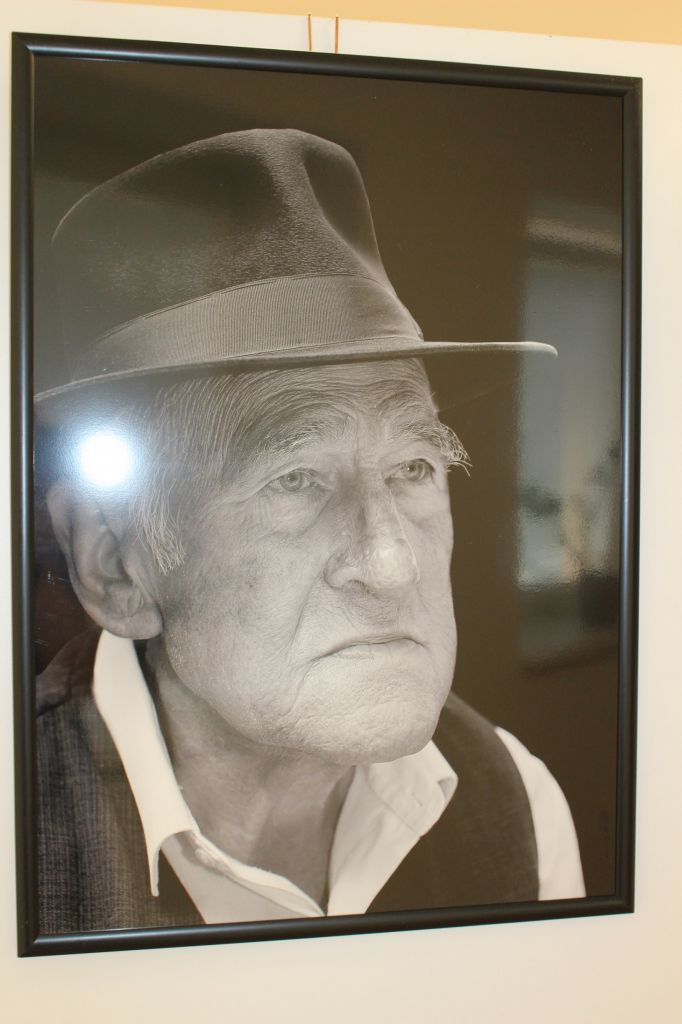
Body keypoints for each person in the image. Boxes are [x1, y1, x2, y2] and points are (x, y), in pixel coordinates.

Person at [34, 128, 584, 934]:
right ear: (115, 562)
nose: (390, 563)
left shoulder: (518, 804)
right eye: (294, 480)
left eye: (413, 467)